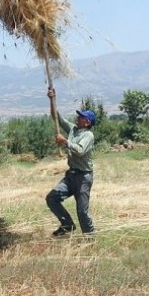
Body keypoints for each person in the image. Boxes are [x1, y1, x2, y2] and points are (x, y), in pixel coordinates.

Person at [45, 88, 96, 236]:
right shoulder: (73, 129)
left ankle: (90, 239)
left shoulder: (88, 135)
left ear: (87, 122)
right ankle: (67, 225)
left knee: (82, 211)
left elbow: (79, 150)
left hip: (83, 178)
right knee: (52, 198)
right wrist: (52, 99)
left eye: (81, 117)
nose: (77, 118)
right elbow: (57, 118)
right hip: (71, 176)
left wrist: (65, 142)